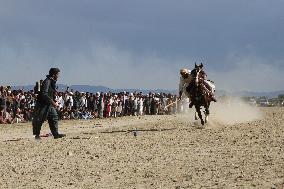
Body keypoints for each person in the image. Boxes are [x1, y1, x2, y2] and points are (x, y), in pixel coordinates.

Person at [32, 68, 66, 140]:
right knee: (39, 119)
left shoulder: (52, 81)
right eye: (58, 74)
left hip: (49, 104)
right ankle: (37, 135)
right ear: (54, 75)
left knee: (54, 117)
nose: (58, 76)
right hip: (43, 104)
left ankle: (56, 134)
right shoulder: (47, 81)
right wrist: (53, 102)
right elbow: (44, 94)